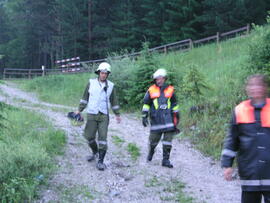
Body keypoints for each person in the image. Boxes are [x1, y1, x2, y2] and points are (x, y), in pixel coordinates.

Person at [221, 74, 270, 203]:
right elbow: (232, 139)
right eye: (252, 85)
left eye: (259, 85)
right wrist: (227, 165)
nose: (255, 88)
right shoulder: (239, 110)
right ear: (247, 88)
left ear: (265, 88)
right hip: (250, 173)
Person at [76, 62, 121, 171]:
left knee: (103, 138)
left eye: (106, 73)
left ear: (108, 74)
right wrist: (79, 110)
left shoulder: (111, 86)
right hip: (92, 113)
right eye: (102, 73)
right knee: (89, 136)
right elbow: (84, 98)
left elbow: (114, 101)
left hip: (104, 116)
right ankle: (95, 152)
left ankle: (101, 161)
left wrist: (117, 114)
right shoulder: (91, 83)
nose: (103, 75)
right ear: (98, 73)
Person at [142, 68, 179, 168]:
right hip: (156, 119)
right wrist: (144, 115)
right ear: (155, 80)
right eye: (157, 79)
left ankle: (165, 160)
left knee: (167, 141)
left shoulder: (170, 90)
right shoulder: (151, 90)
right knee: (153, 141)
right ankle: (151, 151)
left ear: (164, 78)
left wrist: (176, 114)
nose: (159, 80)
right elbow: (146, 104)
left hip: (168, 120)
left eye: (161, 78)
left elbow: (174, 103)